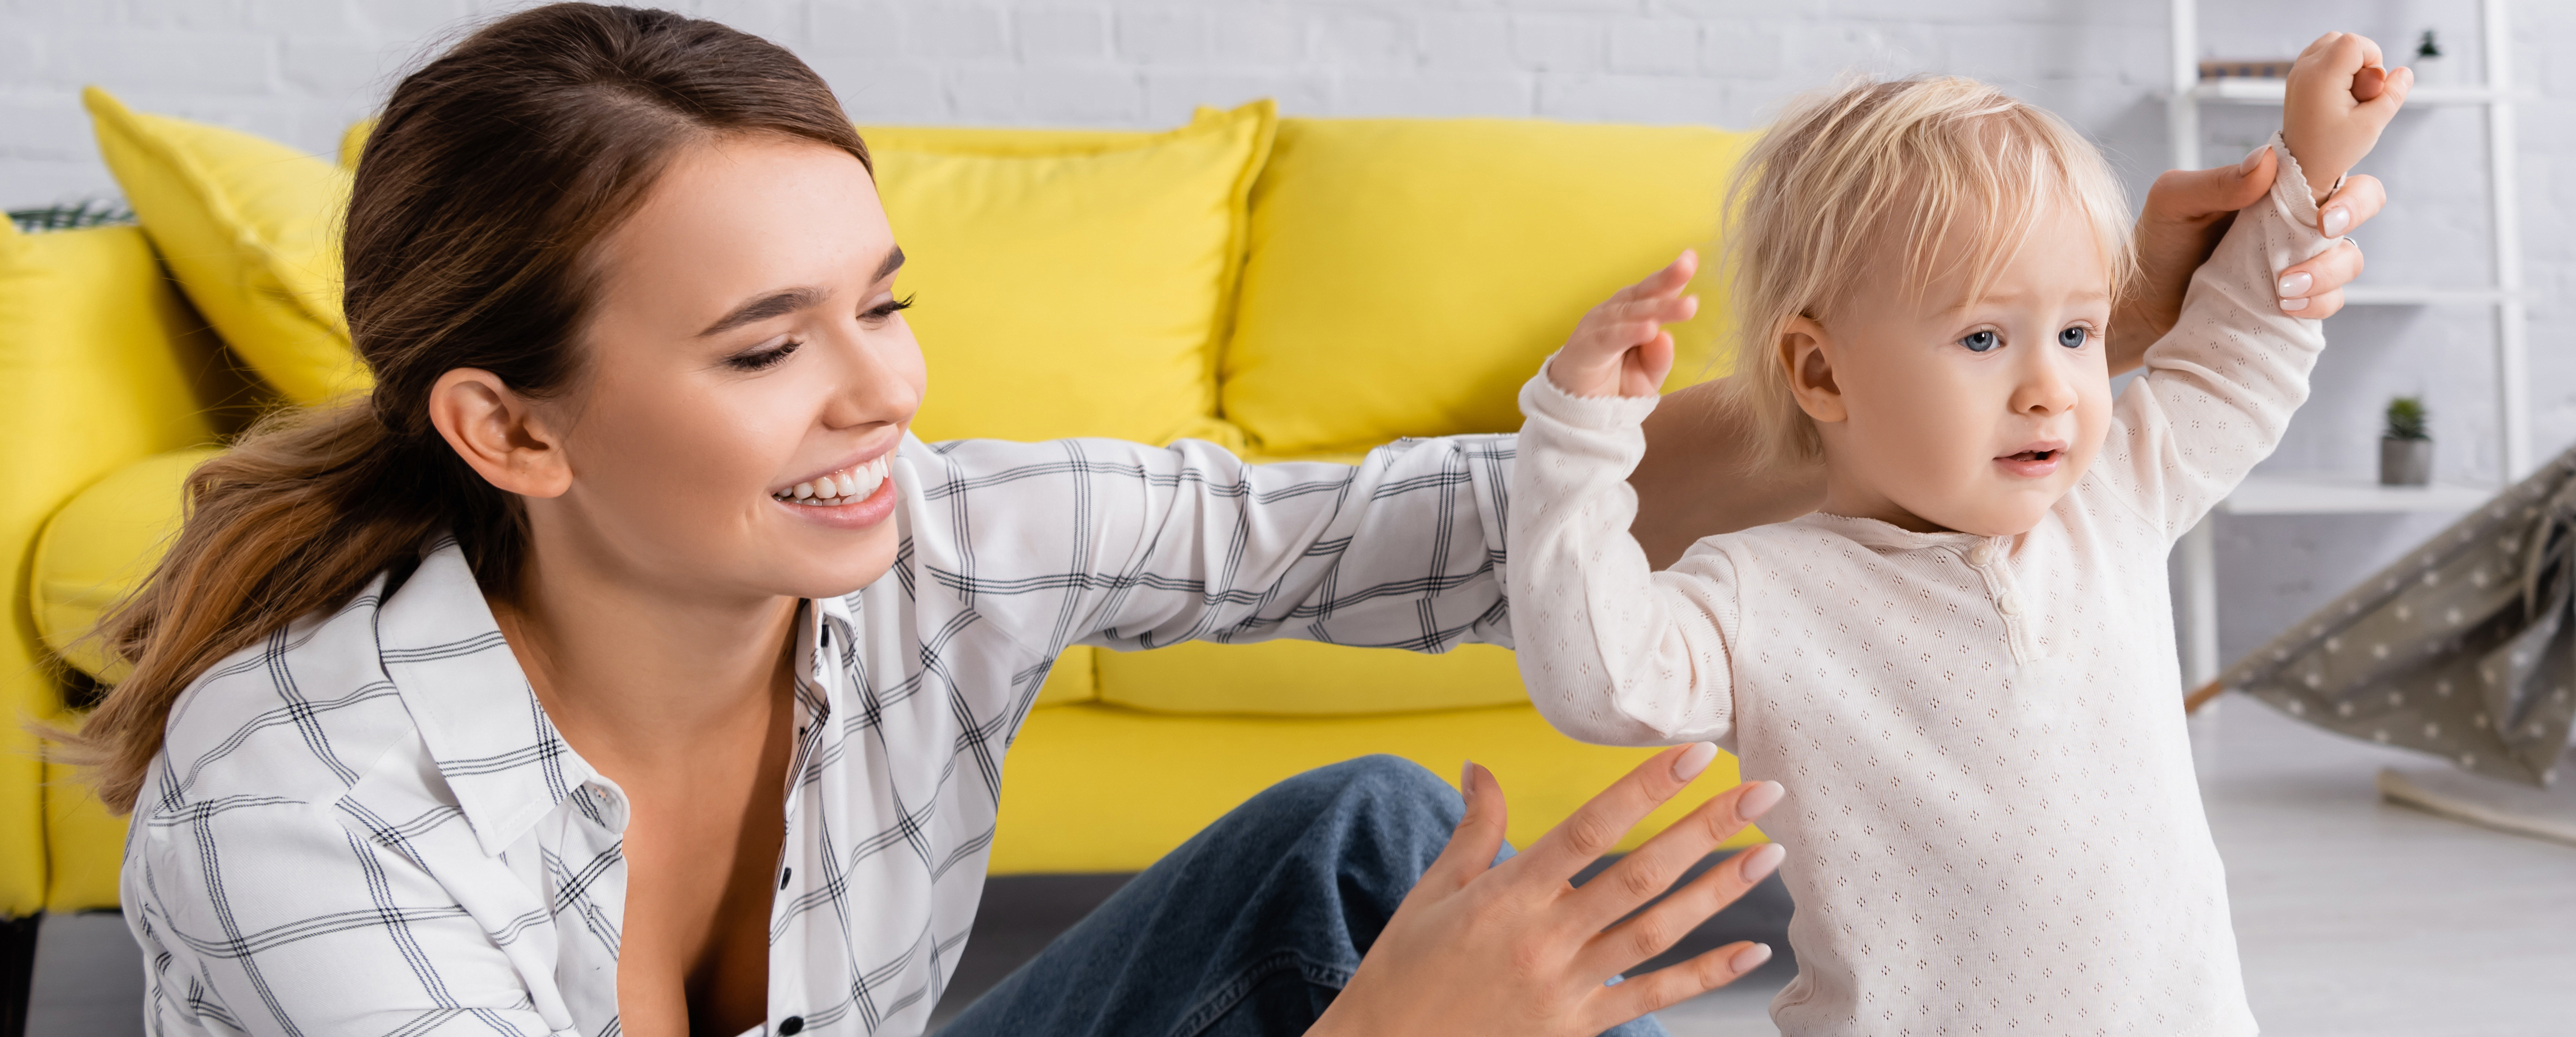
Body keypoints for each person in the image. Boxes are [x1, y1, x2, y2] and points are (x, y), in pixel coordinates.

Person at [66, 6, 2389, 1037]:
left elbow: (1406, 533)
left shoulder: (940, 543)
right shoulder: (311, 808)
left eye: (878, 304)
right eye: (764, 346)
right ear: (512, 429)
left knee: (1359, 837)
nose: (882, 390)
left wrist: (2003, 374)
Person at [1507, 36, 2404, 1035]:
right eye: (1984, 338)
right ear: (1822, 375)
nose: (2054, 388)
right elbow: (1599, 680)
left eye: (2078, 333)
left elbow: (2238, 359)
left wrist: (2307, 173)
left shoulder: (2112, 498)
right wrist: (1577, 436)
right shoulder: (1762, 592)